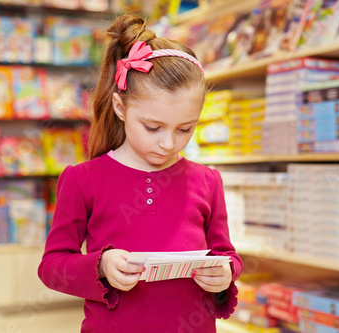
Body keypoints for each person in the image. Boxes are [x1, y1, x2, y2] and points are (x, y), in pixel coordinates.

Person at [38, 14, 243, 332]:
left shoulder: (207, 180)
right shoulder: (82, 180)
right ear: (120, 107)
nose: (168, 143)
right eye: (153, 127)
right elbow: (52, 267)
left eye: (184, 129)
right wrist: (101, 265)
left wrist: (226, 272)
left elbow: (225, 253)